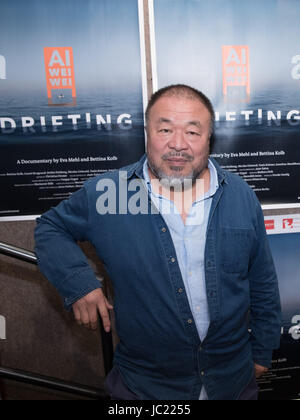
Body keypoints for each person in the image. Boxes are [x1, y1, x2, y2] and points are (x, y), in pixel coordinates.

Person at [34, 84, 281, 400]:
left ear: (209, 140)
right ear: (147, 134)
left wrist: (262, 351)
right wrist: (78, 282)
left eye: (192, 132)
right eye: (165, 129)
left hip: (232, 382)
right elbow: (50, 227)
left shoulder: (240, 195)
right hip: (145, 387)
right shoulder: (113, 193)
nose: (178, 144)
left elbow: (263, 281)